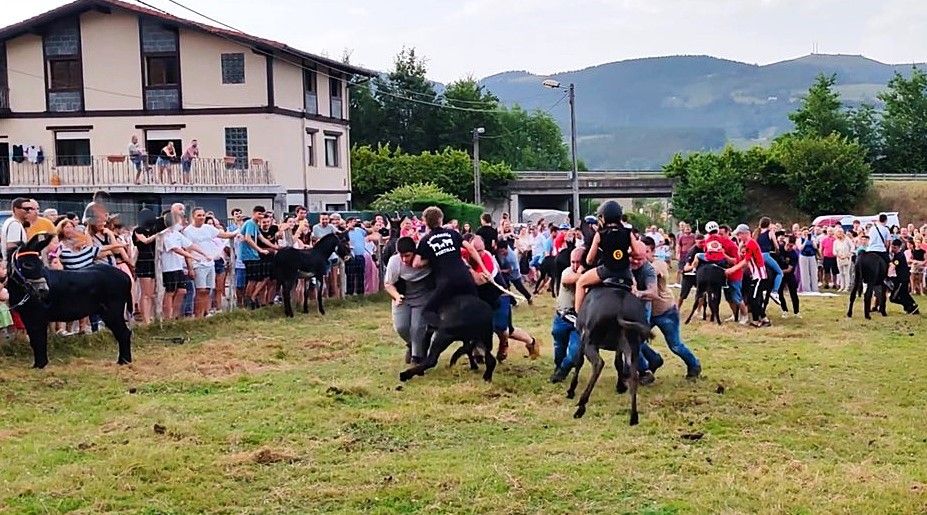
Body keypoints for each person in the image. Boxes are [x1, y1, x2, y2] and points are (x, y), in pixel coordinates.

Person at [413, 206, 487, 329]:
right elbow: (470, 248)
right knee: (476, 307)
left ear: (425, 222)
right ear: (441, 219)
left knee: (427, 311)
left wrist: (432, 258)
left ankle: (444, 329)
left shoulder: (425, 240)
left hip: (445, 281)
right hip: (464, 277)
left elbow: (416, 263)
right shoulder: (453, 233)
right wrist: (483, 268)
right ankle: (478, 337)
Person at [569, 201, 643, 322]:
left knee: (580, 283)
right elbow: (638, 253)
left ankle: (577, 317)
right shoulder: (628, 233)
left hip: (607, 270)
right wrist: (626, 254)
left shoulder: (600, 234)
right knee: (635, 290)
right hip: (625, 272)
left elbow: (589, 259)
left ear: (604, 217)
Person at [641, 236, 701, 379]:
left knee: (675, 345)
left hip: (665, 311)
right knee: (636, 340)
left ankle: (694, 364)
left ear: (652, 251)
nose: (643, 255)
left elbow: (648, 275)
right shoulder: (640, 265)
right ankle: (654, 360)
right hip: (647, 312)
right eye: (640, 251)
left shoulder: (658, 264)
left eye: (646, 251)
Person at [384, 237, 434, 364]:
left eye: (407, 255)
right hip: (402, 297)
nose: (404, 260)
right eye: (401, 256)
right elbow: (388, 284)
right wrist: (396, 296)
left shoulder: (426, 260)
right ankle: (411, 345)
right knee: (401, 327)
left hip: (422, 298)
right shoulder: (394, 262)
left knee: (417, 328)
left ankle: (416, 358)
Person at [183, 207, 237, 318]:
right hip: (198, 263)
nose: (202, 217)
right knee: (200, 290)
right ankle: (198, 315)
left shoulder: (208, 228)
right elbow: (187, 250)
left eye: (203, 215)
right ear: (193, 216)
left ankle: (204, 313)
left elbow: (223, 235)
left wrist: (236, 231)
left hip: (210, 263)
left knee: (208, 290)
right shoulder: (188, 231)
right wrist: (190, 267)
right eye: (199, 215)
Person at [550, 248, 584, 383]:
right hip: (562, 317)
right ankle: (558, 367)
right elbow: (570, 279)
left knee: (575, 352)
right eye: (573, 262)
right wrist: (585, 272)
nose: (575, 266)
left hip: (578, 320)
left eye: (578, 262)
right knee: (559, 347)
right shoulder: (567, 272)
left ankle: (562, 371)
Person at [726, 224, 770, 328]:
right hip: (755, 275)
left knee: (754, 298)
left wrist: (732, 269)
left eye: (740, 234)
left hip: (759, 275)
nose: (739, 237)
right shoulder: (747, 244)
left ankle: (759, 320)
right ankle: (761, 319)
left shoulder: (751, 243)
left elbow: (745, 261)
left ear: (745, 233)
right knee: (752, 298)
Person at [240, 206, 271, 309]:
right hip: (248, 255)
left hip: (254, 255)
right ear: (254, 213)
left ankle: (252, 299)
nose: (261, 216)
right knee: (252, 280)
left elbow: (262, 238)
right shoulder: (250, 223)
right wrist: (260, 250)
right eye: (259, 214)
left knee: (258, 278)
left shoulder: (255, 225)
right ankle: (248, 301)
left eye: (262, 214)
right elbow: (248, 238)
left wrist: (276, 247)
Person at [755, 217, 783, 304]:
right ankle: (774, 291)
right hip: (766, 255)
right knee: (780, 272)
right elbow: (776, 246)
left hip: (757, 256)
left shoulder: (756, 233)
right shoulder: (770, 232)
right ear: (768, 224)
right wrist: (777, 250)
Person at [889, 238, 919, 314]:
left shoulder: (899, 256)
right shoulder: (898, 255)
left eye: (894, 247)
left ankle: (911, 307)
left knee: (894, 297)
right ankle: (912, 306)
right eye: (892, 247)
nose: (892, 249)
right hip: (901, 278)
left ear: (898, 247)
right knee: (904, 294)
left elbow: (893, 266)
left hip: (902, 279)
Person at [775, 235, 801, 318]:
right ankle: (784, 310)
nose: (789, 247)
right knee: (780, 293)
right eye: (788, 244)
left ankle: (796, 312)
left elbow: (789, 269)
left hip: (788, 274)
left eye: (791, 245)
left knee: (793, 293)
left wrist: (779, 271)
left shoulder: (794, 255)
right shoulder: (779, 249)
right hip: (779, 275)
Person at [345, 217, 368, 296]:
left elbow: (367, 232)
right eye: (351, 222)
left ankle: (360, 293)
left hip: (360, 255)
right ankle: (349, 293)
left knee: (360, 274)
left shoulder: (359, 230)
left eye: (354, 221)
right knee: (350, 275)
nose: (353, 223)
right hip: (350, 256)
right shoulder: (345, 232)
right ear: (347, 223)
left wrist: (363, 226)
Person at [798, 228, 819, 293]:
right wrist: (805, 241)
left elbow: (815, 247)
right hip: (803, 256)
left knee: (813, 272)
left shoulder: (813, 239)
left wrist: (813, 241)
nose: (806, 234)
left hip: (812, 256)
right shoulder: (799, 239)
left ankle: (815, 288)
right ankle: (806, 289)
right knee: (805, 273)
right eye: (804, 232)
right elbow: (800, 248)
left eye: (807, 232)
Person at [833, 228, 854, 292]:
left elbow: (852, 247)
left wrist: (848, 255)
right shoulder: (836, 241)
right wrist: (839, 256)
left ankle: (847, 287)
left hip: (847, 257)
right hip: (839, 258)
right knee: (841, 273)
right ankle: (842, 286)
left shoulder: (847, 240)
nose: (839, 233)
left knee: (846, 272)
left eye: (840, 232)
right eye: (838, 232)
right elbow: (834, 251)